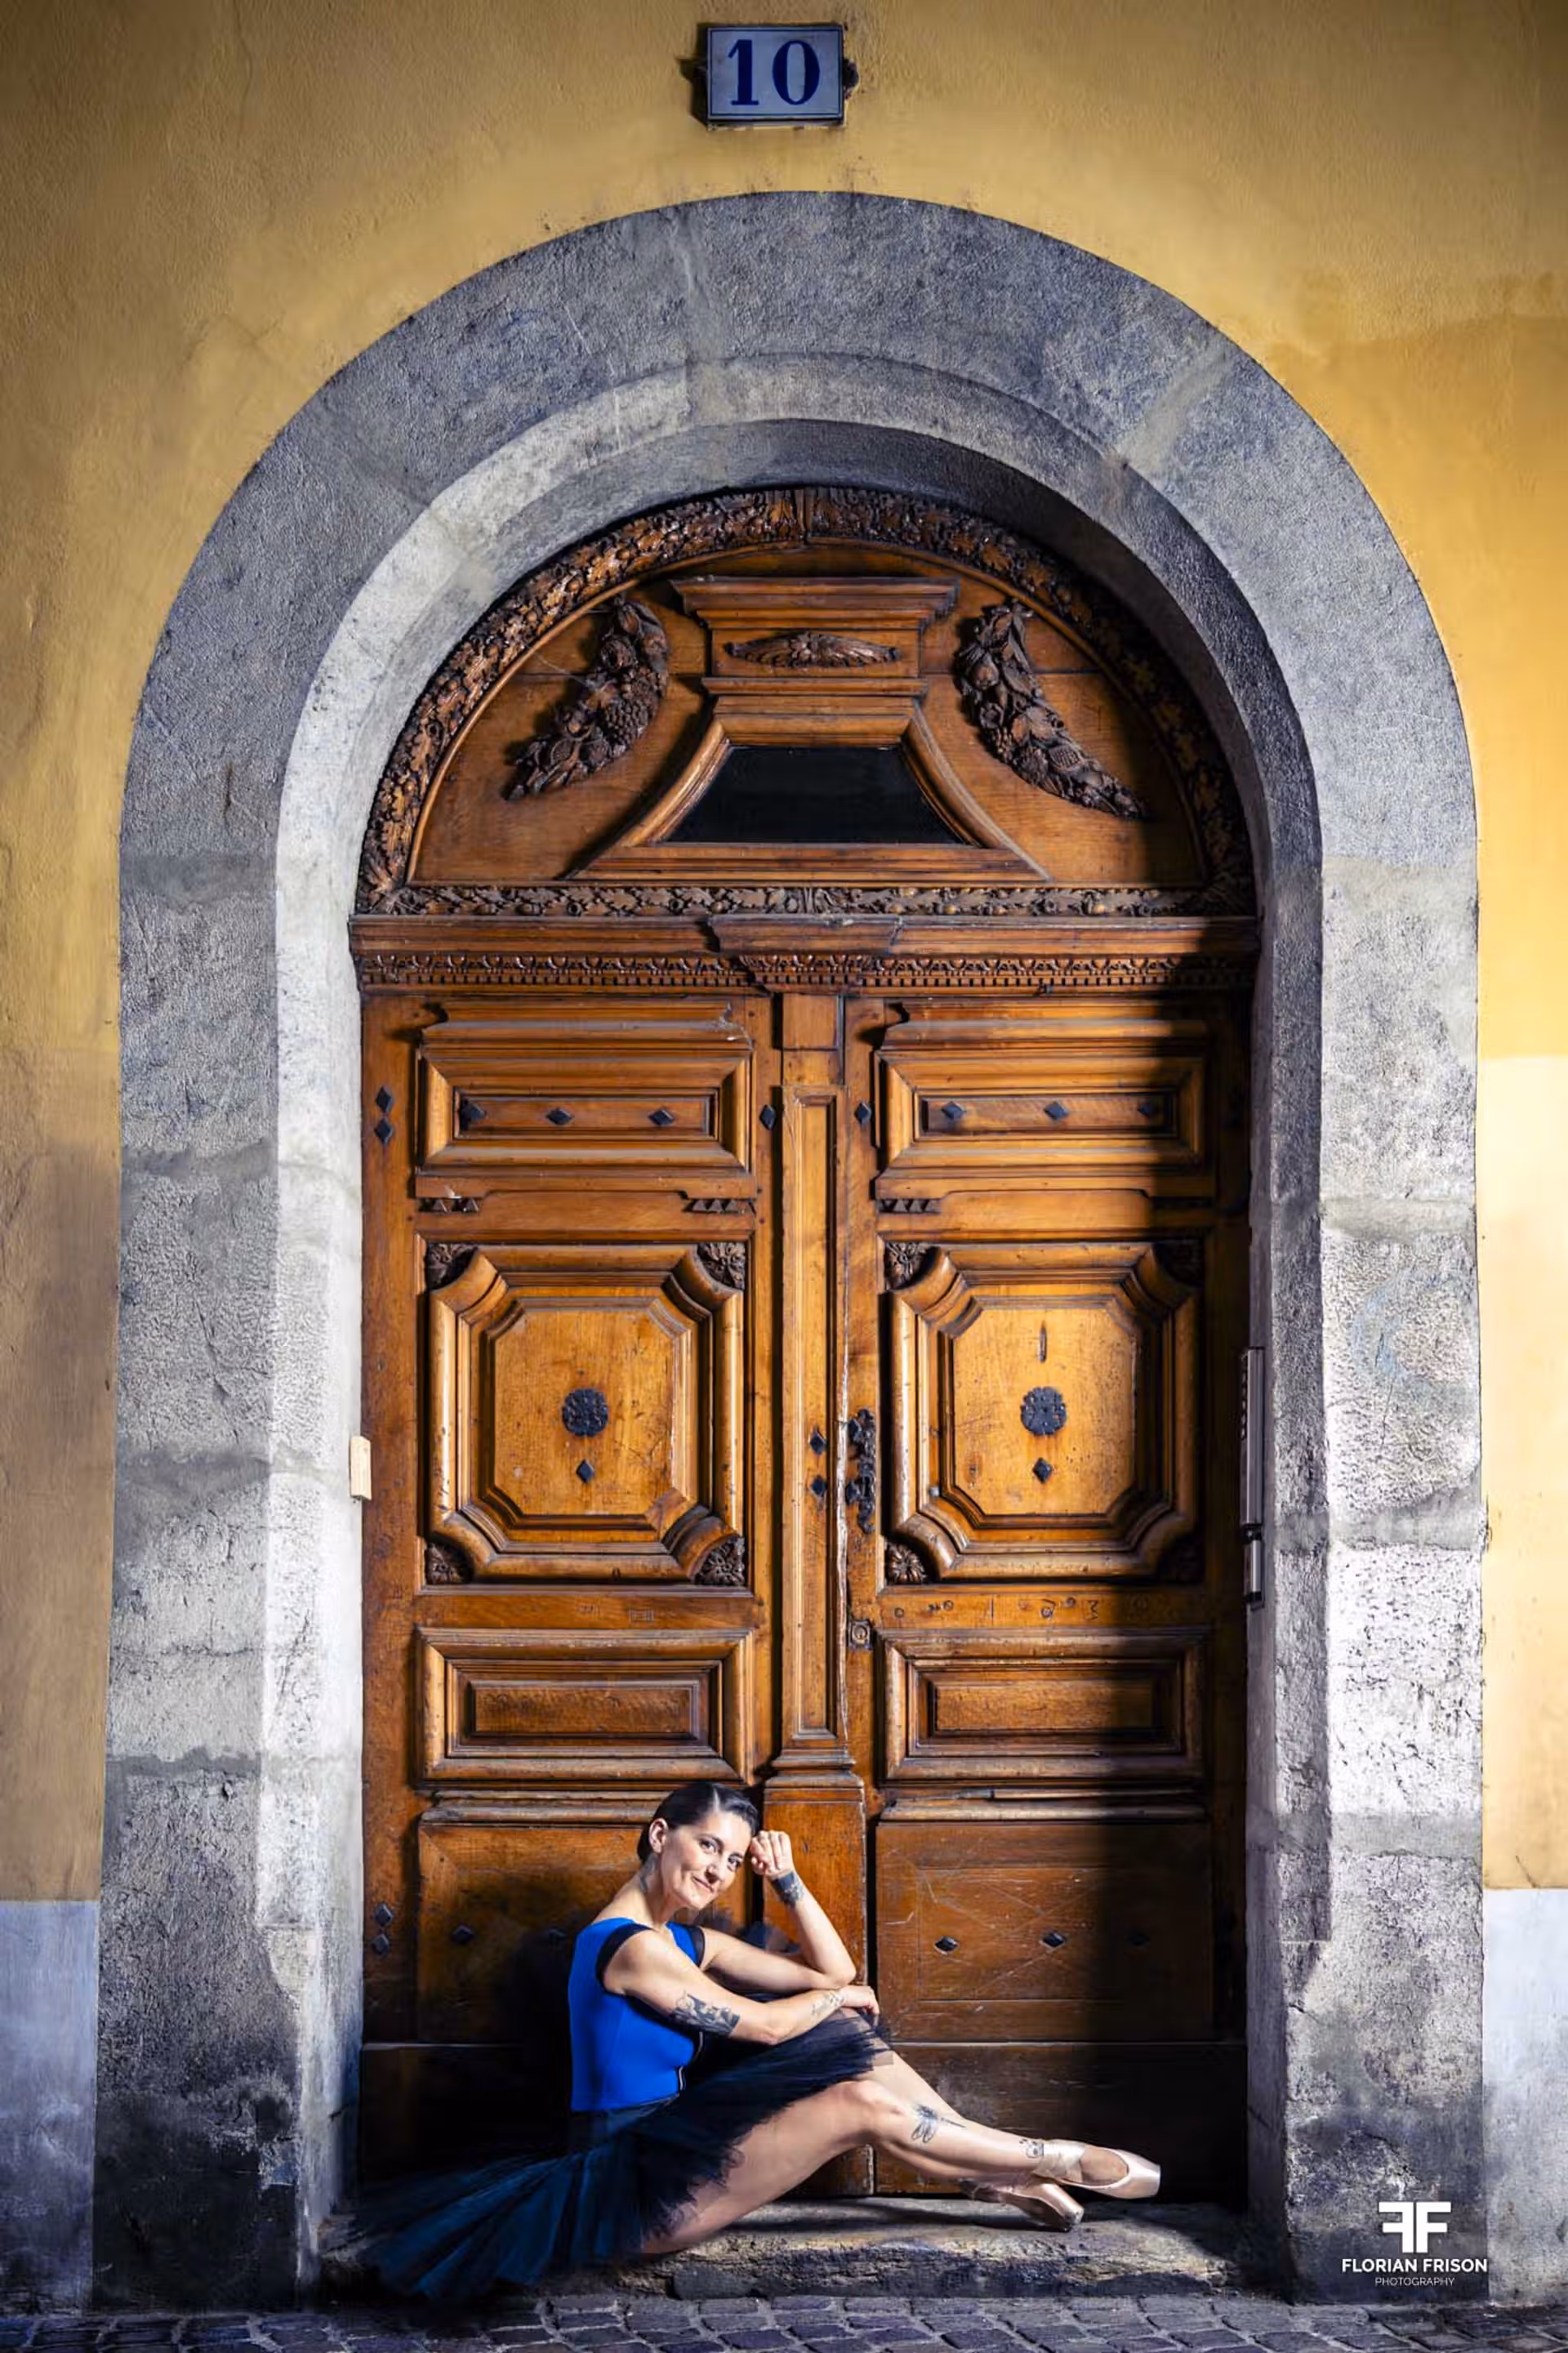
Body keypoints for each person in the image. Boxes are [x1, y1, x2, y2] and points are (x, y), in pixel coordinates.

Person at [346, 1780, 1159, 2302]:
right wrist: (839, 1995)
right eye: (708, 1846)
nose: (719, 1870)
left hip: (674, 2144)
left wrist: (788, 1879)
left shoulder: (687, 1940)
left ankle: (989, 2178)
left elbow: (834, 1972)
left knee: (848, 2034)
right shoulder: (627, 1948)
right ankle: (1045, 2157)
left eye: (734, 1859)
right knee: (856, 2100)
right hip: (635, 2185)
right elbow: (771, 2023)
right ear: (659, 1832)